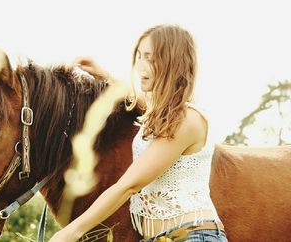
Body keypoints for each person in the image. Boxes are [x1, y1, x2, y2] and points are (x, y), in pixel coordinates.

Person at [49, 24, 228, 242]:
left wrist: (72, 231)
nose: (140, 66)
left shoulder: (188, 120)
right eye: (139, 56)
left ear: (173, 63)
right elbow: (140, 102)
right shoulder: (162, 115)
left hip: (192, 237)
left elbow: (129, 186)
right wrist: (106, 77)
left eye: (150, 58)